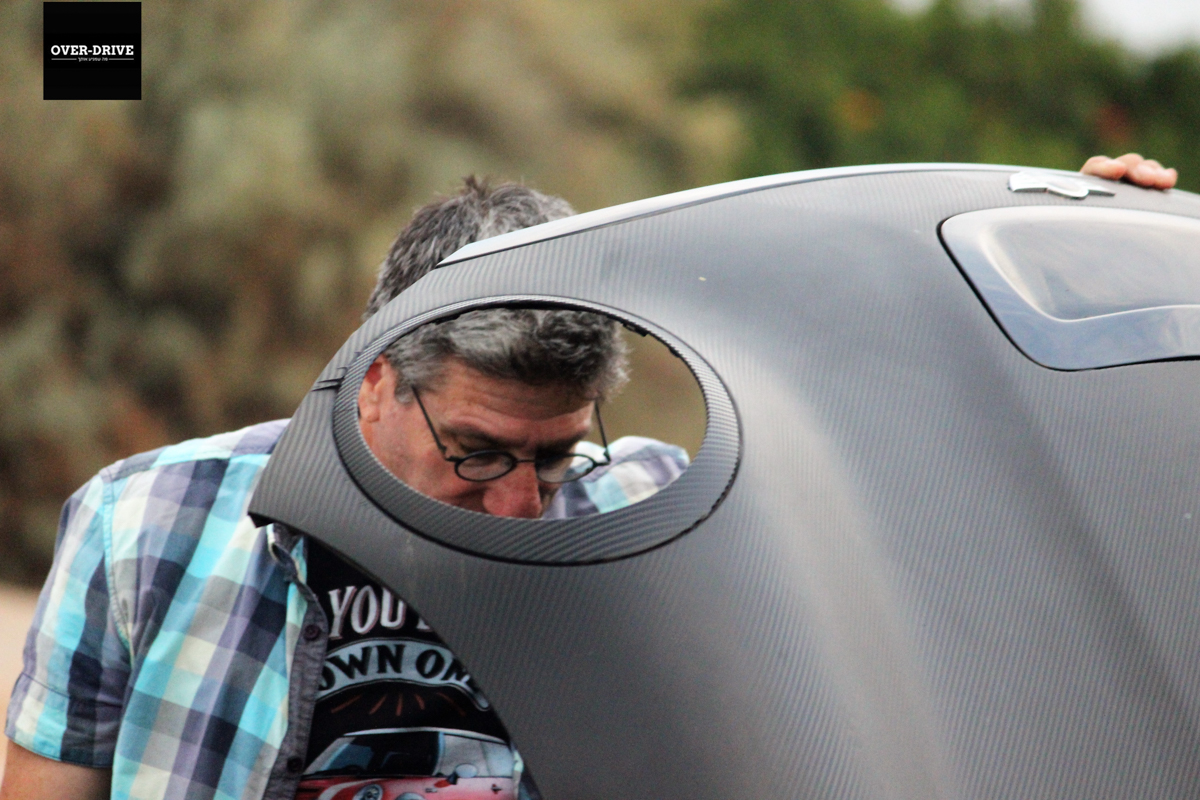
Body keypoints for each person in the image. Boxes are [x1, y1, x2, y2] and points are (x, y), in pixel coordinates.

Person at [0, 154, 1179, 800]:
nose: (523, 500)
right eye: (477, 452)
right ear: (373, 378)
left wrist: (1097, 245)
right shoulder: (151, 519)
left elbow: (931, 522)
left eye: (556, 453)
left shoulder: (664, 515)